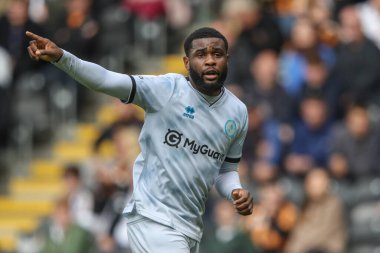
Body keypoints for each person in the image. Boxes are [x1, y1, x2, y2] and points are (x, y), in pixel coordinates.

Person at [26, 27, 254, 253]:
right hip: (153, 218)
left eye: (217, 54)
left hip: (190, 227)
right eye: (201, 55)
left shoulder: (237, 112)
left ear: (228, 59)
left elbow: (226, 170)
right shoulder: (167, 89)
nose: (210, 61)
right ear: (186, 62)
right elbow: (106, 80)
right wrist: (63, 58)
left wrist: (235, 191)